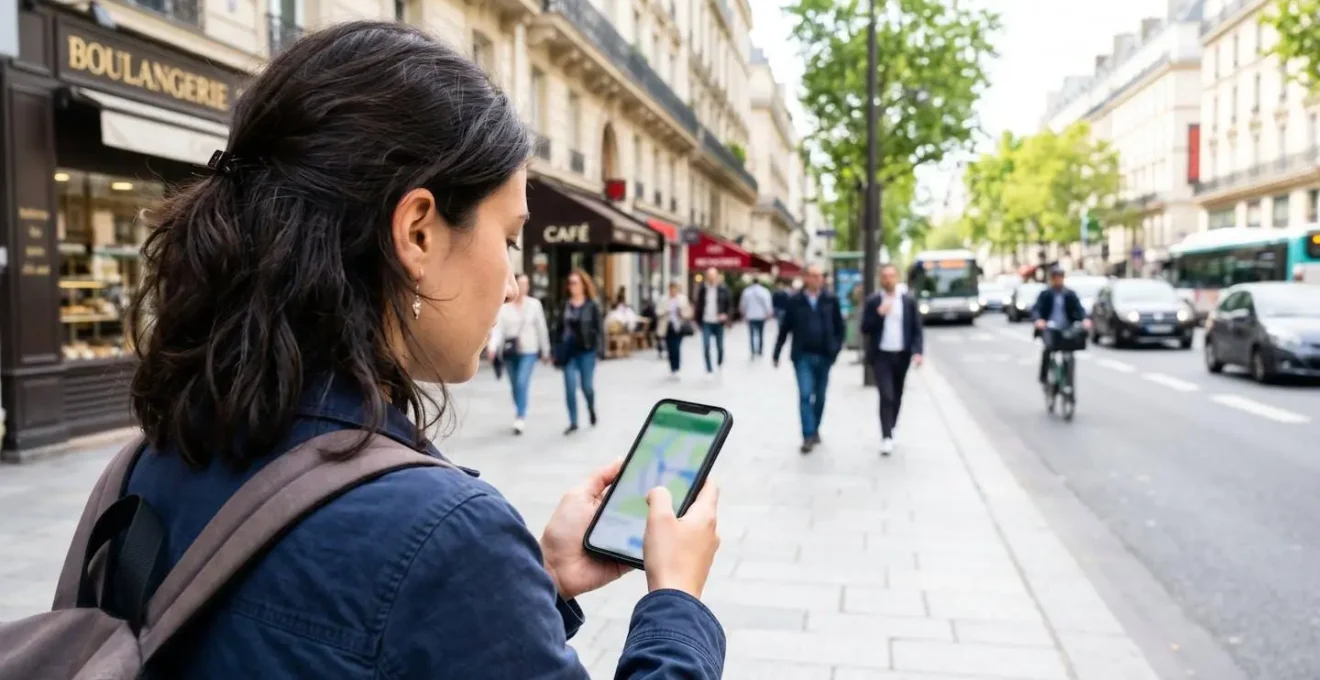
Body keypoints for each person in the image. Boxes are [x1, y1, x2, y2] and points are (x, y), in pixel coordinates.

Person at [118, 23, 723, 679]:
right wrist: (674, 602)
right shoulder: (445, 535)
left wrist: (535, 578)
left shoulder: (151, 458)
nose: (514, 280)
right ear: (417, 232)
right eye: (511, 238)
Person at [772, 265, 845, 454]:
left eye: (819, 276)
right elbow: (784, 327)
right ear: (805, 278)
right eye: (813, 275)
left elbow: (840, 327)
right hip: (802, 355)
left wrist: (835, 349)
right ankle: (807, 435)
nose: (817, 279)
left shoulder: (831, 299)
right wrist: (777, 352)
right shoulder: (795, 301)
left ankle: (815, 428)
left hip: (824, 355)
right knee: (805, 395)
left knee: (819, 396)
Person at [860, 264, 925, 456]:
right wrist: (879, 314)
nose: (888, 280)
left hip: (901, 354)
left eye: (891, 276)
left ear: (897, 278)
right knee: (886, 395)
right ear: (881, 279)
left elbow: (916, 328)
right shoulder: (873, 301)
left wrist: (918, 352)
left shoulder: (908, 301)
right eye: (885, 276)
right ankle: (886, 436)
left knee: (897, 394)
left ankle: (892, 426)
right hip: (881, 355)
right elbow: (865, 328)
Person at [489, 273, 552, 434]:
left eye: (526, 284)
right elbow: (498, 330)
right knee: (515, 385)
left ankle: (520, 416)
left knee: (522, 382)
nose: (524, 287)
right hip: (510, 352)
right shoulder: (504, 307)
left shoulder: (534, 304)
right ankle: (520, 409)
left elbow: (541, 328)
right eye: (521, 283)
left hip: (529, 350)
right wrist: (493, 347)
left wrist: (546, 351)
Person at [556, 269, 604, 435]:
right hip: (569, 352)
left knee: (587, 387)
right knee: (569, 387)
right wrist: (555, 348)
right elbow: (558, 328)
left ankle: (591, 407)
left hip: (587, 351)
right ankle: (573, 421)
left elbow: (599, 329)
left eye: (575, 283)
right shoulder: (565, 305)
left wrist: (600, 351)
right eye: (570, 283)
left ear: (583, 285)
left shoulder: (592, 305)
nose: (572, 286)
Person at [1032, 267, 1091, 386]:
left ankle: (1068, 381)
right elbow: (1036, 309)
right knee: (1048, 350)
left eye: (1060, 277)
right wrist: (1039, 320)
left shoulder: (1070, 294)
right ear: (1052, 279)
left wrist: (1085, 319)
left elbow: (1079, 308)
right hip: (1049, 327)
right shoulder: (1045, 294)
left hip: (1066, 327)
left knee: (1069, 350)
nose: (1058, 280)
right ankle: (1043, 377)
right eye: (1055, 278)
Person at [693, 267, 730, 374]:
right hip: (706, 321)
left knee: (720, 346)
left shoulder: (723, 288)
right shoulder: (703, 288)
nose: (711, 277)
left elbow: (729, 304)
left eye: (713, 275)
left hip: (719, 322)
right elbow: (698, 305)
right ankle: (709, 368)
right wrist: (697, 320)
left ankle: (719, 362)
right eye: (709, 275)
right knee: (706, 345)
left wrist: (726, 315)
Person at [655, 281, 694, 379]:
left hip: (679, 326)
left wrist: (681, 313)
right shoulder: (664, 299)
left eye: (674, 289)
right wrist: (665, 311)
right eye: (671, 289)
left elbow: (688, 312)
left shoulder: (682, 299)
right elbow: (658, 311)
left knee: (676, 348)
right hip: (667, 326)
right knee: (670, 348)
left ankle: (676, 368)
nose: (673, 291)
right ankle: (672, 368)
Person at [739, 276, 774, 358]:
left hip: (750, 316)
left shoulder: (747, 291)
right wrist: (769, 313)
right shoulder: (764, 291)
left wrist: (743, 313)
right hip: (761, 316)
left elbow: (743, 304)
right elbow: (768, 304)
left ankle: (752, 351)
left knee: (751, 335)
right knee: (761, 334)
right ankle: (760, 350)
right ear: (759, 282)